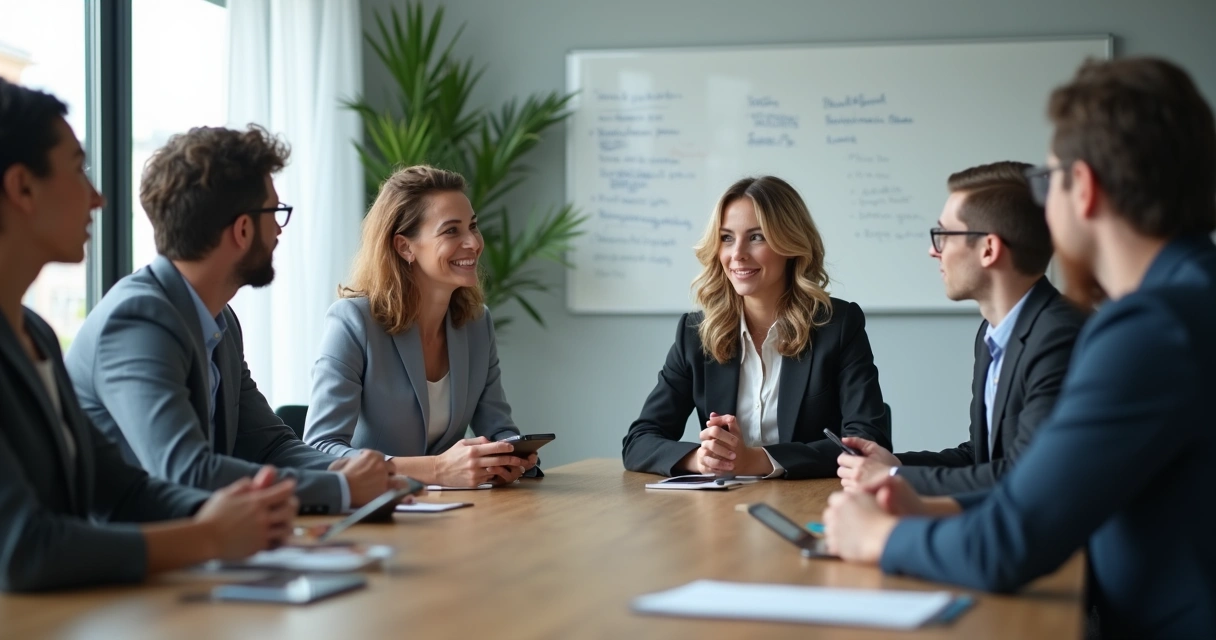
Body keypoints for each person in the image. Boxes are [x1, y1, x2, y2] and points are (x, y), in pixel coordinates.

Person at [823, 57, 1216, 639]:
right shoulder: (1189, 297)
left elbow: (1010, 544)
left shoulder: (1151, 329)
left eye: (1046, 181)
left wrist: (877, 537)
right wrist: (927, 508)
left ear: (1082, 189)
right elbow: (1047, 494)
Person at [0, 79, 296, 591]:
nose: (97, 197)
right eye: (78, 169)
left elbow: (124, 492)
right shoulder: (136, 316)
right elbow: (23, 548)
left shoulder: (38, 336)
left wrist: (245, 515)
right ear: (22, 187)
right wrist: (208, 537)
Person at [65, 125, 393, 515]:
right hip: (132, 563)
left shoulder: (219, 319)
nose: (277, 231)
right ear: (242, 230)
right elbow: (186, 472)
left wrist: (363, 474)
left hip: (201, 550)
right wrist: (339, 487)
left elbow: (270, 447)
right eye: (276, 213)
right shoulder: (137, 320)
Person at [836, 162, 1086, 495]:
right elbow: (981, 459)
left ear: (988, 249)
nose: (933, 251)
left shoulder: (1059, 337)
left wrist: (891, 478)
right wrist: (892, 465)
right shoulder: (991, 334)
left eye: (943, 235)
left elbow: (1026, 476)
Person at [623, 176, 889, 478]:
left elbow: (868, 444)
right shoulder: (696, 333)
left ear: (790, 244)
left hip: (812, 505)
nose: (737, 254)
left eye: (756, 237)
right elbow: (638, 442)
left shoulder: (837, 325)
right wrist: (702, 459)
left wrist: (759, 460)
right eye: (726, 238)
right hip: (721, 511)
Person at [304, 165, 535, 487]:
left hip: (455, 511)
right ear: (405, 247)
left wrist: (510, 456)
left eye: (473, 226)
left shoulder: (476, 324)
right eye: (451, 231)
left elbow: (498, 428)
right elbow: (320, 449)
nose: (473, 242)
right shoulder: (353, 322)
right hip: (376, 512)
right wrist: (436, 469)